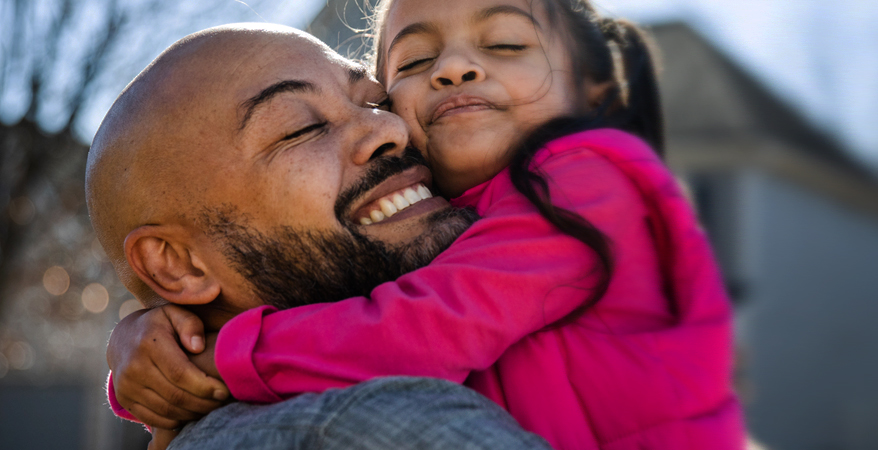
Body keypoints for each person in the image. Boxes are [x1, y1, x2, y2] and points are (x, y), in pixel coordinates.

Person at [99, 1, 744, 447]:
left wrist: (221, 354)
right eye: (301, 128)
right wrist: (150, 341)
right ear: (176, 267)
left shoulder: (587, 181)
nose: (388, 127)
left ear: (596, 93)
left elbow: (426, 322)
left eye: (371, 101)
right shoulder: (383, 420)